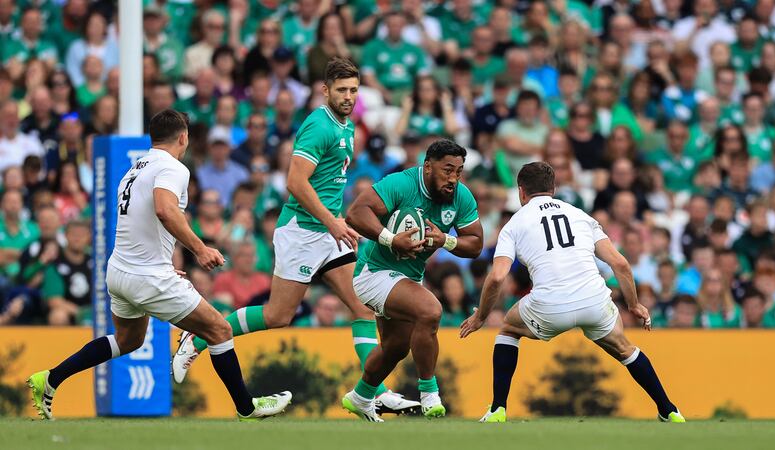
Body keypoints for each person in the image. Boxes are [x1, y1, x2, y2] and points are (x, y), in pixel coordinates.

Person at [172, 58, 417, 416]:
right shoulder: (320, 126)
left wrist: (334, 222)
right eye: (341, 90)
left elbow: (325, 183)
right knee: (277, 316)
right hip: (302, 231)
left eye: (353, 90)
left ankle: (371, 391)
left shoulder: (347, 126)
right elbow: (295, 182)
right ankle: (200, 335)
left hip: (327, 230)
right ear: (325, 90)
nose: (348, 96)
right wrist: (332, 222)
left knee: (363, 306)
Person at [26, 110, 291, 421]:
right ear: (183, 137)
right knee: (219, 329)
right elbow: (165, 210)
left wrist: (160, 262)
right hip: (146, 276)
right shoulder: (173, 168)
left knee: (129, 340)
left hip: (121, 271)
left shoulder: (134, 170)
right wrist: (199, 248)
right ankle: (246, 407)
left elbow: (141, 220)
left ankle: (50, 379)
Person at [460, 161, 684, 424]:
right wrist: (634, 305)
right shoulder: (580, 215)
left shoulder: (514, 224)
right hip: (594, 300)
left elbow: (497, 276)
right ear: (553, 189)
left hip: (549, 306)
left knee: (508, 330)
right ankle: (669, 410)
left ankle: (498, 408)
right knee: (624, 348)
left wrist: (480, 317)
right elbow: (620, 263)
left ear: (521, 192)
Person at [342, 139, 483, 421]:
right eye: (447, 170)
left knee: (395, 348)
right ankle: (429, 394)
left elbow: (476, 243)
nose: (453, 179)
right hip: (373, 271)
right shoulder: (401, 184)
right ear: (427, 166)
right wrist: (391, 239)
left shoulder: (461, 196)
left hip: (409, 277)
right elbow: (356, 213)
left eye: (458, 171)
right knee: (430, 310)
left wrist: (446, 240)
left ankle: (360, 396)